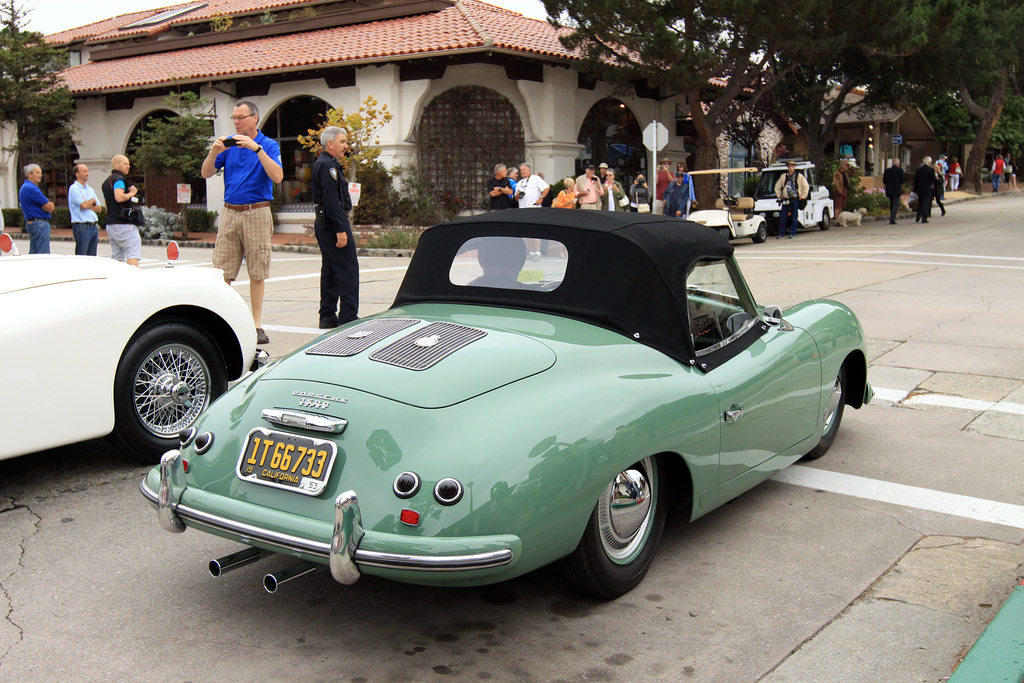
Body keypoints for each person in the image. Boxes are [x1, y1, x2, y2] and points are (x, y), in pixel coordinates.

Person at [202, 98, 283, 345]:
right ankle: (223, 320)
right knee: (222, 271)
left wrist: (256, 149)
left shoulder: (268, 145)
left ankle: (256, 324)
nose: (236, 122)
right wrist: (214, 152)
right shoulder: (229, 146)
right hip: (230, 211)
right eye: (234, 118)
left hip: (257, 210)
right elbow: (205, 173)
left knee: (257, 269)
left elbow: (278, 177)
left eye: (241, 117)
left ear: (254, 118)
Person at [311, 126, 358, 329]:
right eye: (342, 142)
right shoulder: (327, 166)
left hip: (326, 223)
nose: (346, 146)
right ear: (330, 144)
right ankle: (348, 315)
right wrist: (340, 227)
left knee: (330, 269)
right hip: (333, 223)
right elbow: (331, 199)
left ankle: (327, 314)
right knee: (348, 268)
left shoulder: (325, 163)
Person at [101, 155, 143, 267]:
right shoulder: (119, 179)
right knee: (132, 250)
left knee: (117, 255)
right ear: (116, 165)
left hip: (111, 223)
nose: (128, 166)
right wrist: (132, 193)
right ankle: (132, 277)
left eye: (128, 164)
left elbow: (106, 205)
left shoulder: (106, 182)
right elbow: (119, 197)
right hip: (123, 222)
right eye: (125, 164)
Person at [19, 163, 54, 254]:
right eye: (37, 173)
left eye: (41, 173)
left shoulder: (26, 187)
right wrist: (48, 204)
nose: (40, 175)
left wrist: (46, 204)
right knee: (43, 255)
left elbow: (45, 205)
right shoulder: (31, 188)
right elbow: (49, 207)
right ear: (29, 174)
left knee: (34, 254)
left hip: (34, 224)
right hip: (39, 224)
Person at [68, 163, 102, 256]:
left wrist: (88, 203)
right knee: (82, 256)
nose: (87, 173)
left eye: (87, 171)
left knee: (92, 256)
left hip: (93, 226)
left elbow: (99, 208)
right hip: (82, 227)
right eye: (84, 171)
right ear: (77, 174)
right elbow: (83, 206)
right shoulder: (74, 188)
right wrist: (91, 201)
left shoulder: (90, 190)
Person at [773, 160, 808, 238]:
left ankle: (792, 233)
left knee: (794, 217)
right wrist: (779, 195)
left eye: (792, 166)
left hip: (795, 199)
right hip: (786, 199)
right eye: (789, 166)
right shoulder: (784, 176)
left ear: (794, 167)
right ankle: (781, 233)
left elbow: (806, 186)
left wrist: (803, 195)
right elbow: (777, 186)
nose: (791, 167)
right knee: (783, 217)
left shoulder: (799, 176)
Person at [882, 158, 905, 225]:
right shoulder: (900, 170)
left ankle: (892, 217)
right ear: (898, 163)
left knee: (892, 204)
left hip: (889, 189)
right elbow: (902, 180)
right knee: (895, 204)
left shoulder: (887, 171)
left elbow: (884, 181)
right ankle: (892, 219)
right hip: (897, 189)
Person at [913, 156, 935, 223]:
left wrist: (915, 188)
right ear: (929, 163)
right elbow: (933, 180)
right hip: (927, 188)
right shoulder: (931, 170)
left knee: (920, 202)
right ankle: (924, 218)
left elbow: (915, 180)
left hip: (919, 188)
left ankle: (918, 216)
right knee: (926, 203)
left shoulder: (918, 170)